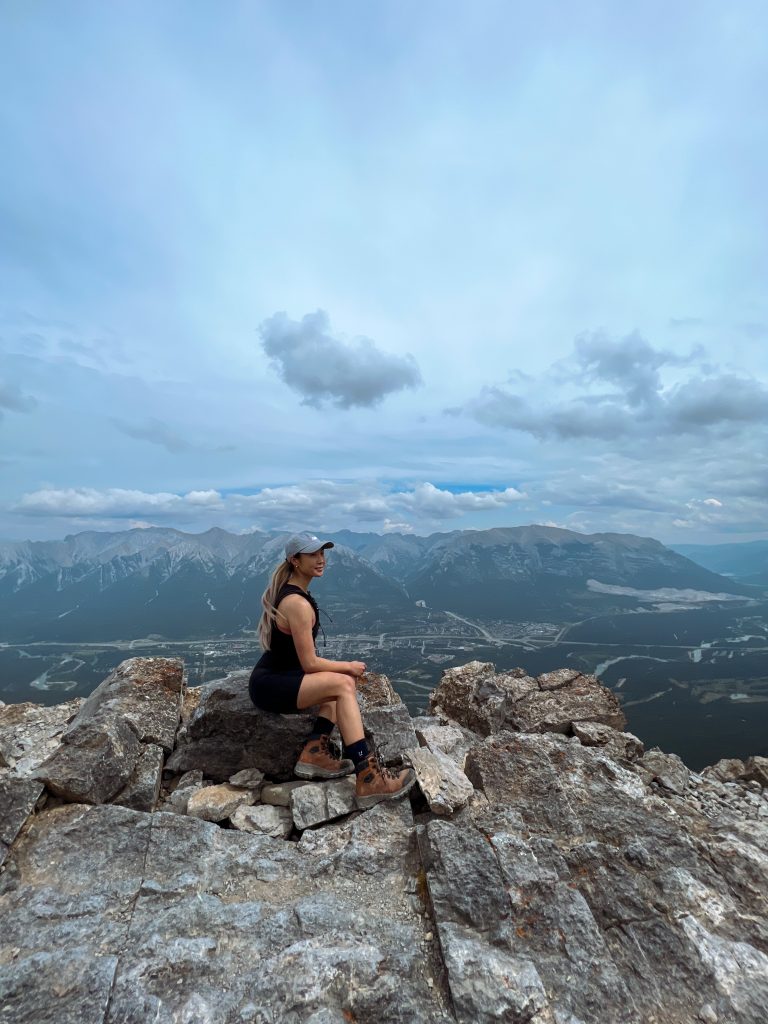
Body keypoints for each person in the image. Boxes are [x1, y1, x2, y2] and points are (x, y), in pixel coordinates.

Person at [249, 532, 415, 808]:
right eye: (312, 554)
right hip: (271, 683)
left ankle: (314, 751)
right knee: (342, 684)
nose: (321, 559)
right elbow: (310, 664)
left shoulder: (295, 593)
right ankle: (368, 776)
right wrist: (348, 666)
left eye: (322, 553)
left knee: (339, 686)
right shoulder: (297, 603)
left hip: (282, 676)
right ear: (294, 560)